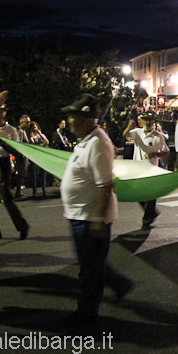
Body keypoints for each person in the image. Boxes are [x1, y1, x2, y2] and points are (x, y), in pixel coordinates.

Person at [60, 94, 134, 323]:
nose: (69, 121)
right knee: (91, 262)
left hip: (89, 216)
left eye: (72, 117)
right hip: (80, 214)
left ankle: (87, 312)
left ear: (84, 119)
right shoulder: (87, 140)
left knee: (89, 268)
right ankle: (120, 284)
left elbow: (106, 184)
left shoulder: (97, 143)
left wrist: (98, 219)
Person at [0, 91, 30, 240]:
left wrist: (5, 146)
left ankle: (22, 226)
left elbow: (17, 151)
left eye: (0, 112)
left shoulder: (11, 130)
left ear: (4, 114)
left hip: (3, 163)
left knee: (6, 197)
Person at [123, 110, 170, 230]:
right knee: (136, 193)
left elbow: (166, 152)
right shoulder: (137, 132)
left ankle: (147, 219)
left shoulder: (158, 136)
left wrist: (155, 154)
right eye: (145, 120)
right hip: (137, 169)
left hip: (151, 169)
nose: (147, 122)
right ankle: (151, 213)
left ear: (153, 121)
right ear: (142, 121)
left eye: (150, 120)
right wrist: (129, 127)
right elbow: (125, 135)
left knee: (151, 195)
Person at [27, 121, 49, 199]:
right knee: (34, 174)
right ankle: (35, 192)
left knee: (43, 174)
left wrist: (40, 134)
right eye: (33, 127)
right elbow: (34, 145)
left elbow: (47, 141)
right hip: (35, 157)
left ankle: (44, 190)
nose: (35, 128)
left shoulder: (41, 135)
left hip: (42, 157)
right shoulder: (30, 137)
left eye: (35, 127)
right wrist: (42, 144)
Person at [14, 115, 30, 199]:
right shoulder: (20, 131)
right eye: (27, 122)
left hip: (22, 156)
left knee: (22, 174)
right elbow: (19, 144)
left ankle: (19, 191)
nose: (28, 124)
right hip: (21, 157)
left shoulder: (23, 131)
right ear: (22, 122)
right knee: (21, 174)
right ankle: (18, 192)